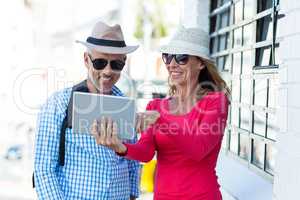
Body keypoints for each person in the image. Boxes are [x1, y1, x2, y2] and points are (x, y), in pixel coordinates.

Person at [91, 25, 230, 200]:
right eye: (168, 57)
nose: (172, 64)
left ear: (201, 63)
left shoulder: (216, 101)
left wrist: (160, 120)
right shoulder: (156, 106)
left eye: (181, 58)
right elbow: (147, 153)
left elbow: (198, 149)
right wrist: (121, 147)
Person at [34, 21, 142, 200]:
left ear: (124, 63)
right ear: (86, 60)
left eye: (116, 64)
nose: (108, 71)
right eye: (100, 62)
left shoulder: (126, 104)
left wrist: (132, 195)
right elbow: (43, 170)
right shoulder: (58, 104)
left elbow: (132, 161)